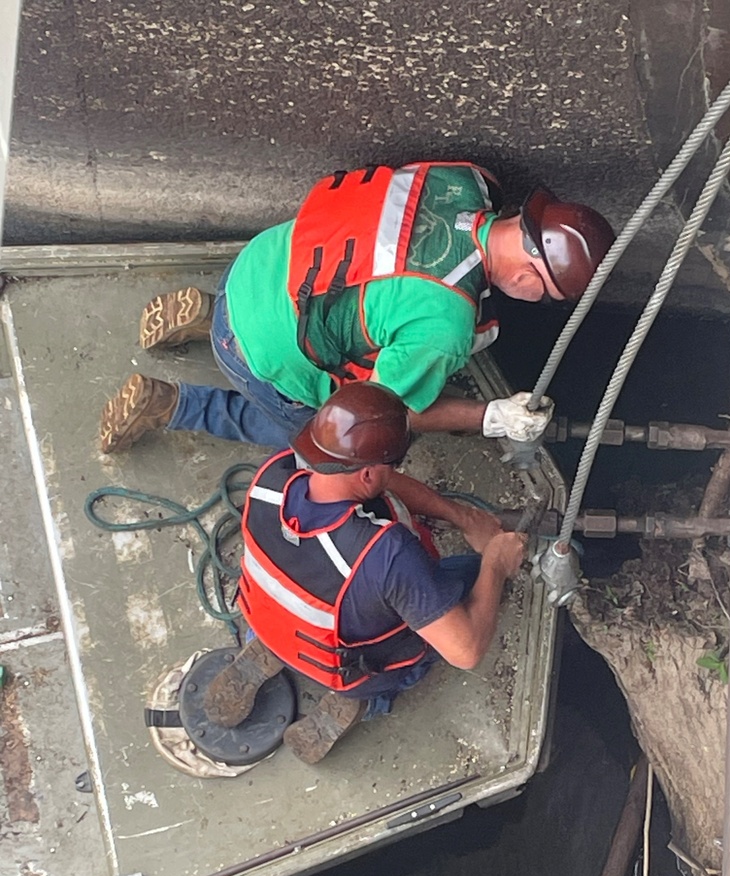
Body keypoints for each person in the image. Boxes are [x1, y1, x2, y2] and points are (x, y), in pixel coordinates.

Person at [99, 162, 614, 456]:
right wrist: (490, 415)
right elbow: (388, 412)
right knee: (316, 439)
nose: (538, 300)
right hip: (254, 351)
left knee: (331, 294)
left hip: (254, 266)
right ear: (527, 280)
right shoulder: (445, 323)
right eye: (546, 296)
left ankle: (209, 313)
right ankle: (174, 404)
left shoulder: (462, 182)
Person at [202, 380, 527, 764]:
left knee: (308, 606)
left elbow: (374, 481)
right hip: (346, 666)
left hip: (273, 619)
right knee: (469, 577)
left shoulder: (273, 478)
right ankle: (363, 699)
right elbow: (466, 651)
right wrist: (496, 562)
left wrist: (463, 516)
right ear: (370, 475)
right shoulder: (387, 555)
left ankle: (271, 645)